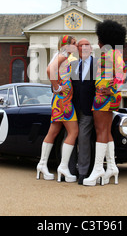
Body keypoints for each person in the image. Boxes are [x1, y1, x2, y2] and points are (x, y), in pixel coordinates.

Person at [83, 20, 127, 186]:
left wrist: (113, 89)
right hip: (108, 98)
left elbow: (122, 73)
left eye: (99, 39)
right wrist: (115, 91)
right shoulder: (116, 53)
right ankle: (112, 168)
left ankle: (98, 169)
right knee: (106, 132)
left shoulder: (109, 54)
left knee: (100, 131)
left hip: (102, 98)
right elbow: (121, 73)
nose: (98, 42)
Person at [36, 35, 79, 183]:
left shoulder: (61, 55)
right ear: (66, 45)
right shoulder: (62, 55)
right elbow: (50, 69)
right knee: (73, 132)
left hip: (59, 100)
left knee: (53, 132)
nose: (76, 45)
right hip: (64, 101)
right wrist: (57, 87)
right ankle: (63, 167)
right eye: (73, 43)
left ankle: (42, 165)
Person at [70, 38, 98, 184]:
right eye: (81, 46)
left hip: (89, 109)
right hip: (72, 109)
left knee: (83, 138)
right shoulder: (73, 65)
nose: (84, 48)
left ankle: (83, 173)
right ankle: (70, 171)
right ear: (78, 49)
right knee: (70, 139)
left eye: (87, 45)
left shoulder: (98, 65)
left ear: (91, 48)